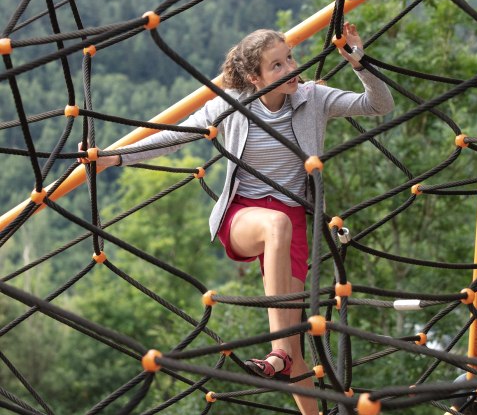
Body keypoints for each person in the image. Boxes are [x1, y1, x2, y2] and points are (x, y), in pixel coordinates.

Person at [95, 22, 394, 414]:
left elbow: (379, 105)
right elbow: (177, 134)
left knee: (297, 351)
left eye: (290, 58)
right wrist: (115, 157)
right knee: (276, 232)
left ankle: (294, 375)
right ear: (254, 77)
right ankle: (276, 351)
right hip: (244, 217)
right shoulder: (233, 103)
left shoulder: (312, 98)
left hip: (292, 221)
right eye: (276, 66)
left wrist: (360, 61)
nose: (291, 68)